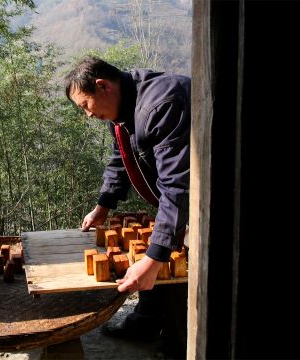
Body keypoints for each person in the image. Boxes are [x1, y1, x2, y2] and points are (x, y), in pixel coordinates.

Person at [64, 57, 190, 358]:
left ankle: (177, 346)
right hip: (178, 197)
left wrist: (154, 259)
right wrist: (103, 207)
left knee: (174, 262)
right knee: (152, 248)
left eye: (84, 105)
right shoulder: (123, 112)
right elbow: (120, 160)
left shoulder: (161, 105)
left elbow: (178, 186)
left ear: (102, 86)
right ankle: (145, 324)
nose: (87, 114)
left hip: (209, 199)